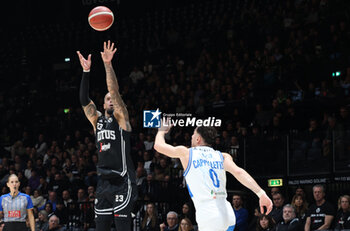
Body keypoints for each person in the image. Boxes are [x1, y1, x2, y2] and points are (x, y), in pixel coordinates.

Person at [154, 122, 273, 231]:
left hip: (208, 214)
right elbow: (239, 172)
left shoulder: (187, 153)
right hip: (227, 213)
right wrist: (261, 193)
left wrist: (161, 131)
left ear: (198, 138)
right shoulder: (222, 156)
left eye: (193, 134)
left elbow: (158, 146)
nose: (191, 137)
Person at [77, 40, 137, 231]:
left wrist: (107, 64)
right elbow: (84, 100)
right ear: (102, 105)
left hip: (123, 180)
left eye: (113, 99)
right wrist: (86, 73)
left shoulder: (121, 118)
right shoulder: (97, 121)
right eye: (107, 99)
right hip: (103, 182)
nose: (111, 100)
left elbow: (114, 90)